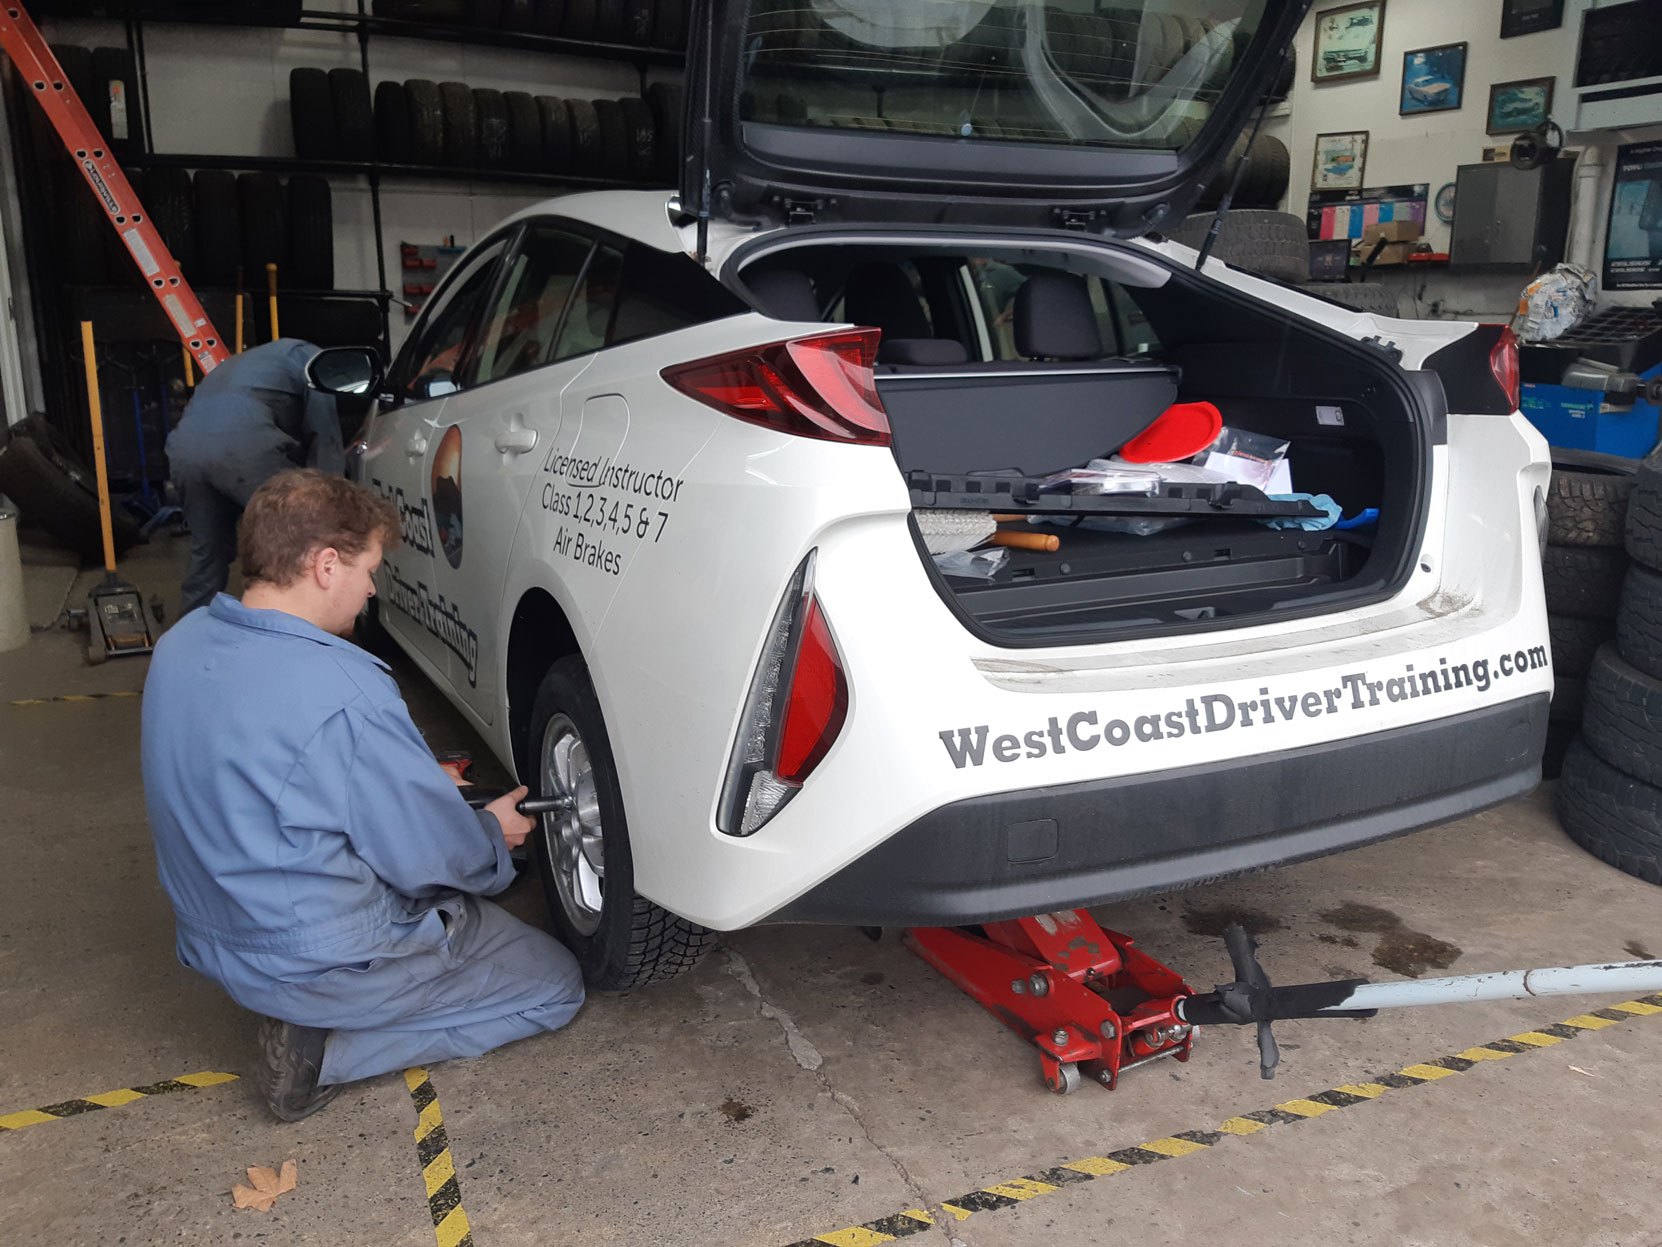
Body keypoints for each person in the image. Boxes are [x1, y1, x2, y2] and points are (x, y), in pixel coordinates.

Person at [141, 469, 584, 1121]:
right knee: (555, 986)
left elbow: (271, 765)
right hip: (317, 957)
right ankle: (326, 1052)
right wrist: (493, 834)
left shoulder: (180, 645)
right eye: (368, 568)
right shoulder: (347, 690)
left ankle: (314, 1018)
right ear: (325, 564)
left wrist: (405, 778)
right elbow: (431, 860)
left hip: (216, 940)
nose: (372, 588)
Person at [165, 338, 347, 617]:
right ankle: (289, 638)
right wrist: (331, 504)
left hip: (185, 450)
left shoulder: (248, 362)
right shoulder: (316, 361)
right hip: (243, 449)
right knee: (291, 547)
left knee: (207, 555)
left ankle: (190, 641)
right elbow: (324, 438)